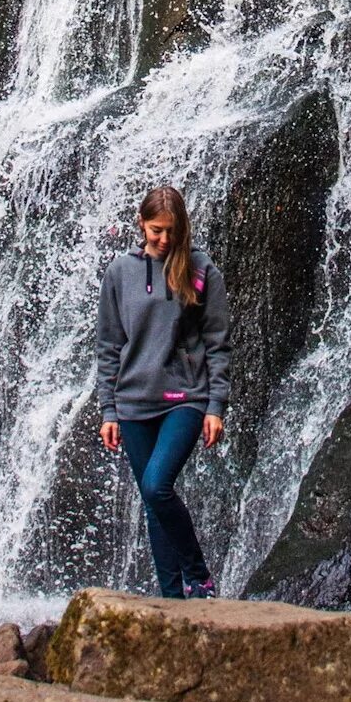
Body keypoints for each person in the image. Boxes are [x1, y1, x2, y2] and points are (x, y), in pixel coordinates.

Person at [97, 185, 231, 599]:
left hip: (185, 399)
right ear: (141, 223)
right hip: (133, 402)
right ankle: (173, 598)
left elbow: (218, 342)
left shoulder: (200, 269)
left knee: (157, 485)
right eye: (157, 230)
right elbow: (108, 344)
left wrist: (215, 406)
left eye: (172, 231)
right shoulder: (120, 271)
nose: (164, 239)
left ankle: (199, 575)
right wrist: (108, 410)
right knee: (153, 503)